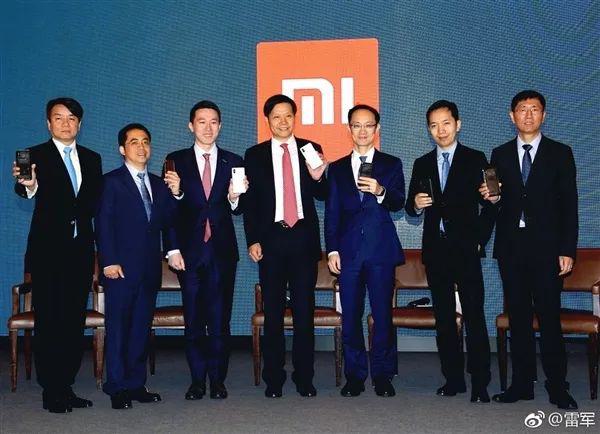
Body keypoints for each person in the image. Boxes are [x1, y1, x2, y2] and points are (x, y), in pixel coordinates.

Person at [480, 90, 578, 409]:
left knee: (549, 318)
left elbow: (570, 206)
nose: (528, 115)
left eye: (535, 109)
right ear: (512, 117)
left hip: (548, 249)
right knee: (518, 319)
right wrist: (492, 199)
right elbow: (496, 202)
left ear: (544, 116)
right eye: (522, 109)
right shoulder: (499, 154)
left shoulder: (560, 153)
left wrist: (567, 249)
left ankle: (557, 385)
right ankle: (521, 384)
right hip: (511, 248)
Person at [12, 97, 102, 413]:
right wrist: (30, 185)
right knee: (49, 322)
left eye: (72, 118)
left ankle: (66, 385)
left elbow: (92, 203)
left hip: (80, 252)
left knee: (74, 322)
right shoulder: (35, 155)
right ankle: (51, 390)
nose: (66, 123)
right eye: (59, 118)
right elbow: (25, 188)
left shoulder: (92, 158)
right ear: (48, 123)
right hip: (48, 253)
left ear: (80, 123)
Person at [405, 100, 492, 403]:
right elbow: (410, 207)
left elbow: (491, 202)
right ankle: (453, 379)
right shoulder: (422, 163)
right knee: (443, 318)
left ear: (458, 124)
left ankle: (480, 382)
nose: (440, 130)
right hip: (436, 251)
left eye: (446, 123)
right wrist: (416, 204)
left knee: (474, 316)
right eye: (433, 125)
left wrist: (480, 239)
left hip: (466, 250)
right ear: (428, 130)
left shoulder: (475, 158)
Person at [243, 94, 327, 398]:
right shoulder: (254, 155)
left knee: (304, 314)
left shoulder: (310, 148)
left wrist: (319, 178)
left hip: (303, 239)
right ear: (267, 120)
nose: (283, 122)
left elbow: (323, 193)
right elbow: (250, 203)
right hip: (271, 241)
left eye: (288, 116)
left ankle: (305, 378)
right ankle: (274, 379)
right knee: (273, 314)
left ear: (295, 117)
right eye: (276, 116)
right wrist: (252, 239)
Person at [165, 100, 246, 400]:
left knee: (220, 320)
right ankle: (197, 380)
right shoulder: (175, 160)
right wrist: (172, 249)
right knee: (194, 320)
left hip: (223, 252)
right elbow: (169, 209)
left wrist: (235, 197)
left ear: (220, 126)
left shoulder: (233, 161)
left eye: (213, 122)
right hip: (189, 253)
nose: (208, 128)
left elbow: (238, 209)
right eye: (202, 122)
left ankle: (218, 379)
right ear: (191, 126)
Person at [96, 123, 179, 409]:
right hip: (119, 269)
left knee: (140, 329)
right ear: (122, 149)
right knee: (119, 328)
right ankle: (116, 386)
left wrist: (176, 194)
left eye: (145, 142)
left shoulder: (159, 183)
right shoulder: (111, 182)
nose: (141, 147)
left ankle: (135, 384)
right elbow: (103, 224)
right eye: (134, 142)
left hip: (149, 269)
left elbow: (169, 221)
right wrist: (109, 261)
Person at [325, 104, 405, 397]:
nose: (362, 131)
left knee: (382, 316)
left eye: (368, 125)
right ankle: (355, 375)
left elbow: (399, 202)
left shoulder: (391, 164)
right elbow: (331, 213)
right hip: (348, 254)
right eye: (356, 125)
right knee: (351, 316)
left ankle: (383, 375)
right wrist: (332, 250)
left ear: (377, 129)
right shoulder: (336, 168)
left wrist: (380, 191)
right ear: (349, 129)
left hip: (380, 251)